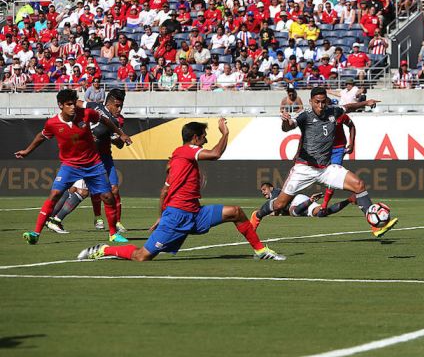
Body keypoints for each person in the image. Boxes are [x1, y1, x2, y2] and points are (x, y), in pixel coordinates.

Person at [77, 119, 285, 261]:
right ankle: (104, 250)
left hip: (194, 213)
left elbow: (164, 191)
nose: (205, 140)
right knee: (142, 256)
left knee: (236, 212)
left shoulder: (179, 157)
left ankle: (260, 250)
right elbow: (215, 154)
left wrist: (161, 215)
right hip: (177, 217)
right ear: (195, 138)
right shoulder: (187, 151)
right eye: (203, 137)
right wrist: (225, 133)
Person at [250, 87, 397, 238]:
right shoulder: (304, 116)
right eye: (317, 102)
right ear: (310, 102)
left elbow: (349, 107)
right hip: (304, 168)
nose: (320, 106)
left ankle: (374, 224)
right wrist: (285, 122)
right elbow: (289, 127)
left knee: (358, 185)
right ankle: (258, 215)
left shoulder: (333, 111)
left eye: (323, 102)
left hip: (326, 169)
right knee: (280, 204)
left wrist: (366, 102)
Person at [16, 89, 132, 245]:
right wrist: (27, 151)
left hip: (93, 164)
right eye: (68, 104)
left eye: (73, 104)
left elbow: (105, 121)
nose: (72, 107)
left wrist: (121, 134)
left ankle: (113, 234)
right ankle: (36, 233)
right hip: (70, 165)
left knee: (108, 197)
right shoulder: (52, 123)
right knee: (55, 193)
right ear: (60, 106)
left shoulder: (87, 114)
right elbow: (41, 136)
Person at [47, 89, 128, 234]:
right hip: (89, 157)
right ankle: (55, 219)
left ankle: (115, 223)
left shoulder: (117, 121)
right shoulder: (94, 106)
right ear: (109, 103)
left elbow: (119, 144)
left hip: (105, 158)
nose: (119, 109)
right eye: (117, 106)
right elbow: (77, 103)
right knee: (79, 190)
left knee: (113, 190)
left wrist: (117, 139)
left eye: (121, 106)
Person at [321, 106, 355, 210]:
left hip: (338, 149)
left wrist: (352, 143)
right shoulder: (319, 116)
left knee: (333, 176)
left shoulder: (341, 115)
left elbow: (352, 126)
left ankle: (324, 205)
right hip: (324, 148)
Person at [260, 183, 355, 218]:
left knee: (294, 212)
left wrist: (273, 213)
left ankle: (311, 200)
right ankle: (350, 199)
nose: (263, 192)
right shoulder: (277, 192)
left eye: (264, 189)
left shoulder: (275, 192)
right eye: (262, 191)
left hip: (297, 201)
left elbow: (277, 208)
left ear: (271, 188)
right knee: (322, 212)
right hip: (301, 202)